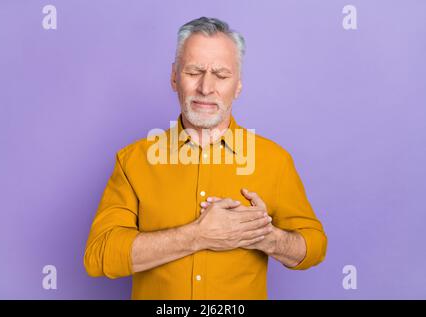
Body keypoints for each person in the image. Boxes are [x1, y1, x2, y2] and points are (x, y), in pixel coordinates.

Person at [84, 17, 327, 300]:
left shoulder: (275, 161)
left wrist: (266, 237)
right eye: (194, 71)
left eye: (221, 75)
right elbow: (99, 256)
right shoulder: (133, 161)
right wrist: (198, 235)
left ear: (238, 85)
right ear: (174, 77)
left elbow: (314, 247)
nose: (206, 87)